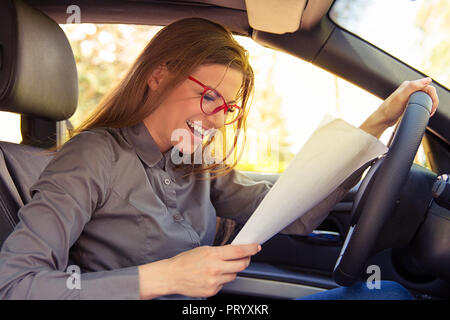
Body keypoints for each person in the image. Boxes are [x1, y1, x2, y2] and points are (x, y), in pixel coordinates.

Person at [0, 18, 438, 300]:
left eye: (227, 107)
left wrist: (379, 120)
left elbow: (286, 209)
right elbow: (15, 285)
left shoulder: (195, 159)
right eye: (209, 96)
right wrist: (166, 277)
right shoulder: (93, 156)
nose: (217, 119)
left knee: (389, 296)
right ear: (158, 75)